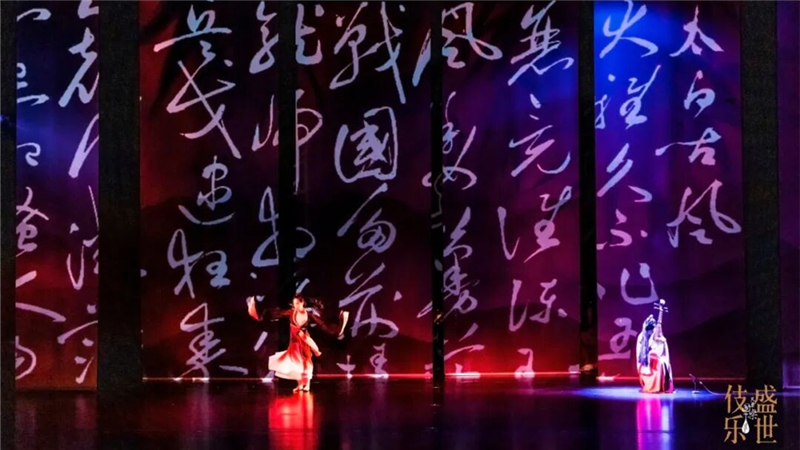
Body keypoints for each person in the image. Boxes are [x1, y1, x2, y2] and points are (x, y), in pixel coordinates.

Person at [247, 294, 349, 393]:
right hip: (294, 342)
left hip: (304, 340)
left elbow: (322, 325)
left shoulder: (308, 314)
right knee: (295, 364)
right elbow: (276, 313)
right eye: (294, 304)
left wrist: (336, 329)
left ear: (302, 303)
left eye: (297, 303)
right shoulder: (291, 313)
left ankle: (307, 385)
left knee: (306, 361)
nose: (296, 306)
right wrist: (259, 316)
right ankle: (300, 384)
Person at [635, 300, 674, 393]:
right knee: (656, 363)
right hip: (646, 362)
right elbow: (640, 354)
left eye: (652, 329)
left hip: (656, 360)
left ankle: (660, 386)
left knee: (661, 363)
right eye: (650, 330)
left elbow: (661, 349)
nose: (651, 332)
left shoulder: (657, 336)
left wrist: (662, 342)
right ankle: (652, 386)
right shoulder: (642, 337)